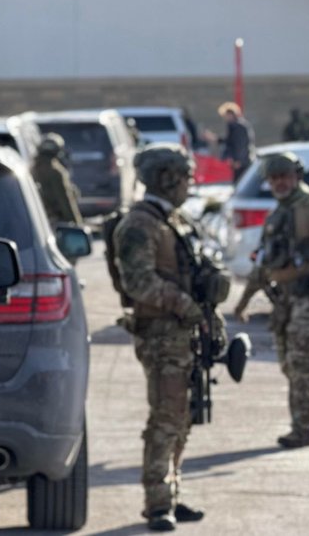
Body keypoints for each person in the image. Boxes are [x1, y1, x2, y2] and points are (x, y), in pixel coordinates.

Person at [113, 144, 226, 531]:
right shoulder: (139, 225)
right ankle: (158, 502)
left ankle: (172, 494)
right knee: (165, 417)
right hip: (161, 335)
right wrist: (186, 307)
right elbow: (139, 282)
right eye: (185, 177)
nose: (190, 184)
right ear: (166, 178)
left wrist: (210, 317)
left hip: (185, 333)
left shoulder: (175, 220)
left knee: (182, 418)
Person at [255, 152, 309, 448]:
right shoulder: (278, 214)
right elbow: (264, 263)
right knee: (289, 366)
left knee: (300, 366)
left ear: (296, 176)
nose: (279, 183)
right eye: (273, 178)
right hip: (287, 300)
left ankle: (302, 428)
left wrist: (303, 270)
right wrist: (243, 302)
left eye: (284, 176)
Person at [31, 133, 83, 226]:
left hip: (37, 220)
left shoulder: (31, 170)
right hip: (55, 221)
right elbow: (65, 201)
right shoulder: (55, 172)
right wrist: (77, 225)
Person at [217, 102, 255, 184]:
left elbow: (241, 144)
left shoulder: (238, 127)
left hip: (241, 162)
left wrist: (239, 160)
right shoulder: (235, 126)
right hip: (241, 160)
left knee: (240, 182)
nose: (225, 118)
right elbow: (230, 141)